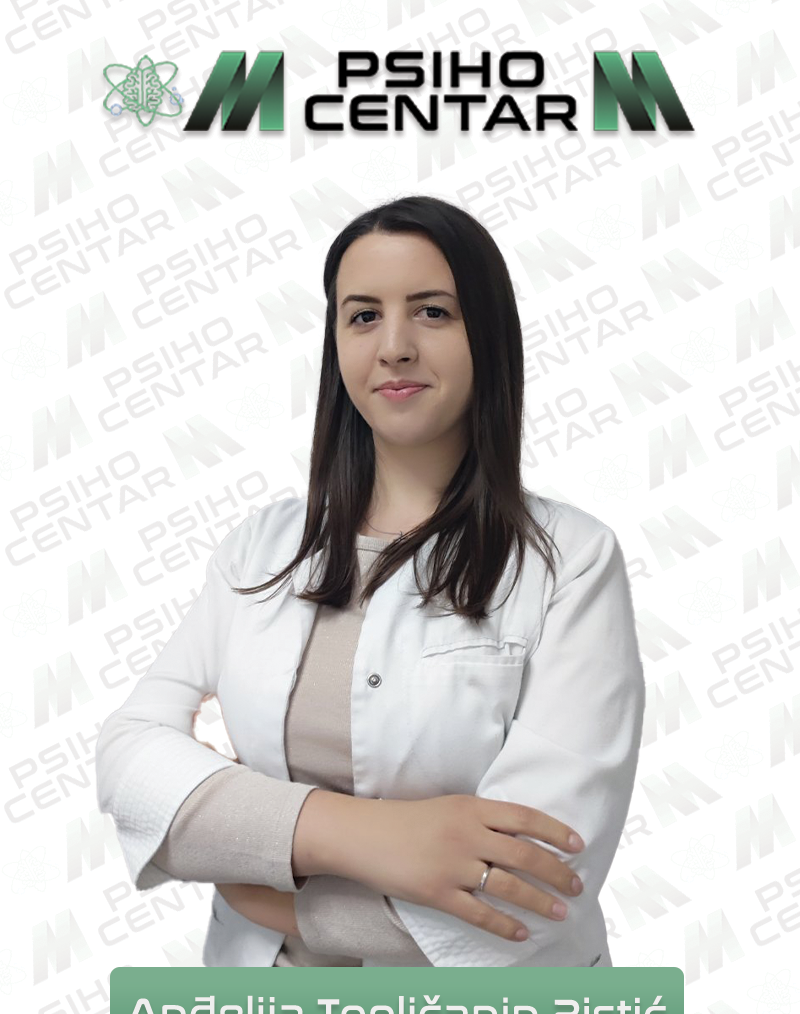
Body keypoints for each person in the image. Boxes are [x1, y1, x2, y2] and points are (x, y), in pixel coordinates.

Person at [94, 195, 646, 969]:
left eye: (432, 312)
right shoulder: (260, 550)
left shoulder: (570, 562)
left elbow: (535, 887)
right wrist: (372, 837)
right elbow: (129, 759)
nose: (394, 347)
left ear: (486, 334)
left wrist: (263, 880)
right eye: (363, 317)